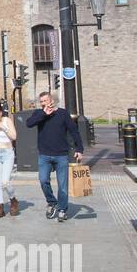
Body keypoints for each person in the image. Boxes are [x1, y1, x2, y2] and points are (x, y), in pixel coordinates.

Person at [26, 90, 84, 222]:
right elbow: (29, 123)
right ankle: (52, 202)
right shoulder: (39, 113)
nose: (43, 103)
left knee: (62, 185)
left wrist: (79, 149)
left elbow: (74, 131)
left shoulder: (62, 113)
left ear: (51, 100)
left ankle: (62, 209)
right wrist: (43, 114)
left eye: (45, 101)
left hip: (61, 155)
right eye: (41, 102)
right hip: (44, 155)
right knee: (43, 180)